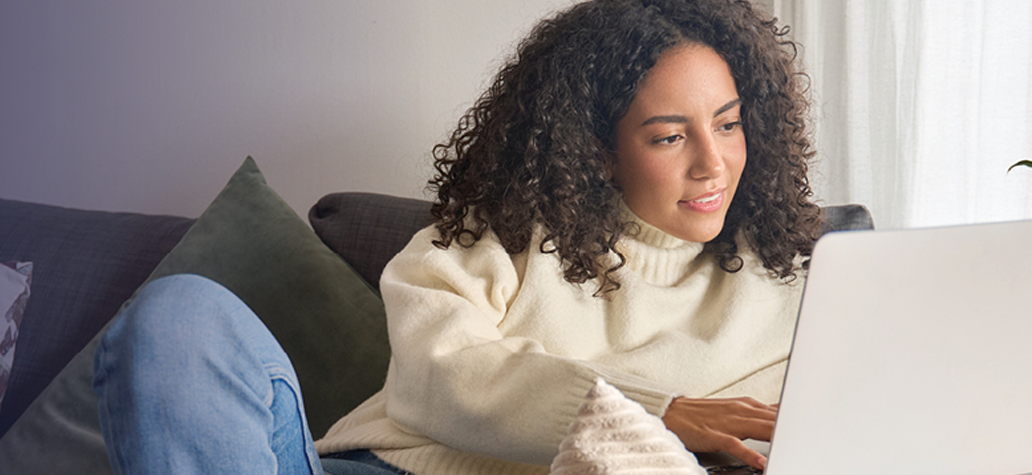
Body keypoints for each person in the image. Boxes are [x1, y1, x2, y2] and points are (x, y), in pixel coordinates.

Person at [93, 0, 822, 473]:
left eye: (728, 123)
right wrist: (650, 408)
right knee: (178, 316)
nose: (714, 162)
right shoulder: (494, 239)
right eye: (669, 136)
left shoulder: (797, 289)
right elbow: (437, 376)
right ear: (601, 150)